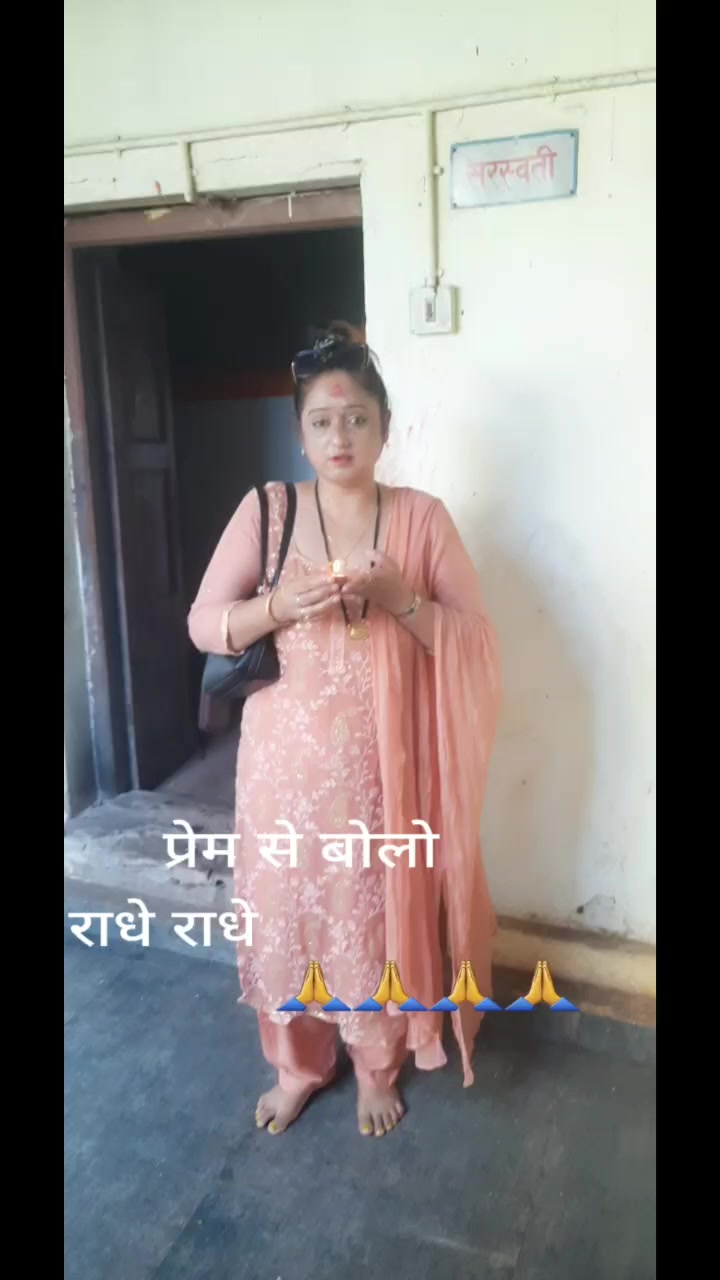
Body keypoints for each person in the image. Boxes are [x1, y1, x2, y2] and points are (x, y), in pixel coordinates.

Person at [188, 324, 501, 1138]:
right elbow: (203, 622)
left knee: (370, 921)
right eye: (322, 421)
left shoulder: (422, 519)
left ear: (385, 428)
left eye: (357, 418)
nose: (340, 436)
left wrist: (401, 599)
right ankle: (297, 1067)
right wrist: (273, 607)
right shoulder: (267, 511)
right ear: (300, 432)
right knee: (286, 918)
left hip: (380, 776)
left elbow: (475, 641)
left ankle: (376, 1068)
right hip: (282, 774)